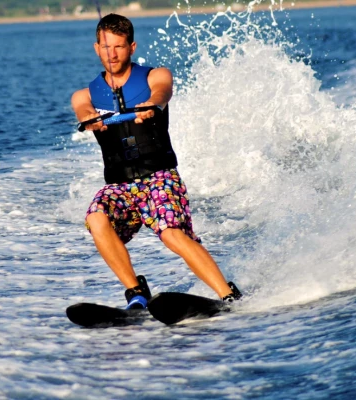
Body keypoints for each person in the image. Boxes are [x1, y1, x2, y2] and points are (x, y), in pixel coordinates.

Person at [71, 13, 241, 309]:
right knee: (96, 217)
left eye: (119, 47)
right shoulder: (83, 95)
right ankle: (136, 292)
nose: (112, 54)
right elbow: (84, 111)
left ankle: (228, 294)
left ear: (132, 47)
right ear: (96, 47)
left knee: (172, 234)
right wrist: (91, 120)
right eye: (106, 47)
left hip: (159, 177)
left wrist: (152, 105)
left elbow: (163, 92)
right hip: (120, 187)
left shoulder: (155, 77)